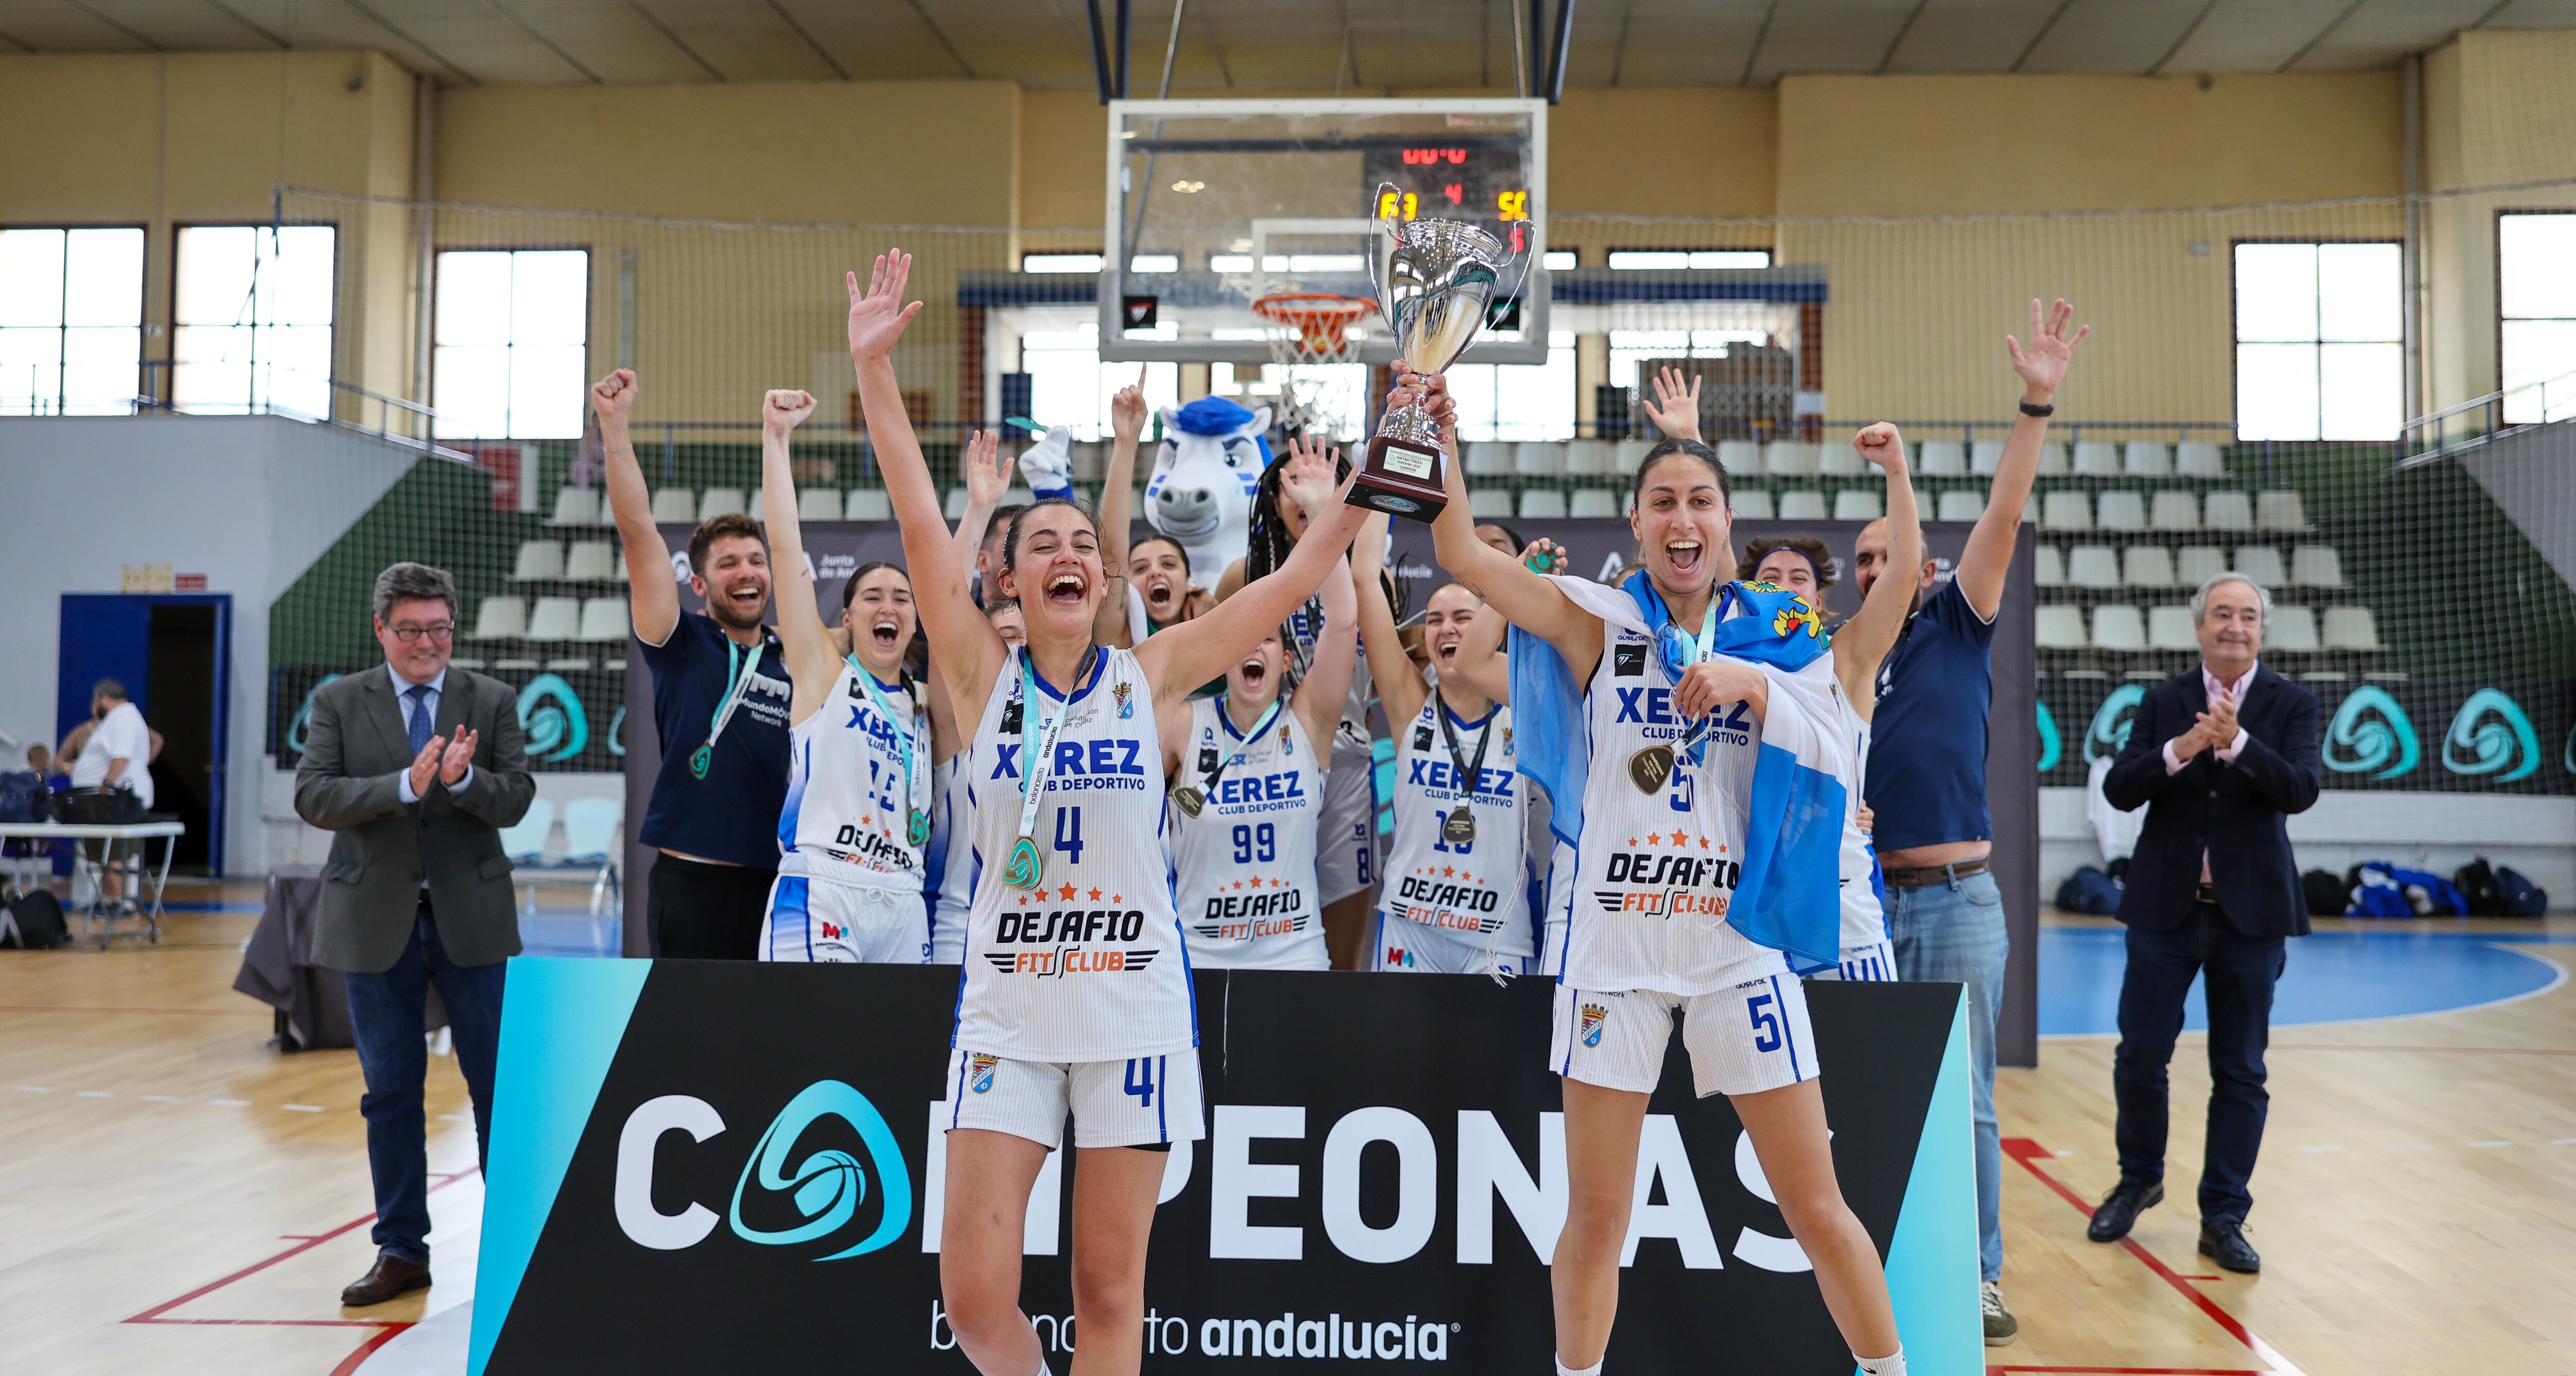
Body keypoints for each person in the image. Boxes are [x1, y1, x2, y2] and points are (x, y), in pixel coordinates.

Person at [853, 249, 1371, 1376]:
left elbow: (1292, 587)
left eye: (1084, 544)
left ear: (1105, 579)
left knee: (1106, 1292)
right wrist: (875, 373)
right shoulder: (979, 678)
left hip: (1132, 1009)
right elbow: (916, 521)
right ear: (1010, 582)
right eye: (1044, 545)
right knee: (976, 1300)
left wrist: (1359, 484)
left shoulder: (1153, 673)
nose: (1069, 554)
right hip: (1009, 1011)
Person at [1428, 365, 1903, 1376]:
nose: (1682, 519)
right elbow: (1459, 552)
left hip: (1738, 950)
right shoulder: (1597, 621)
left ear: (1726, 522)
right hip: (1617, 952)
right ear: (1636, 523)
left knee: (1816, 1206)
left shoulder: (1779, 632)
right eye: (1662, 502)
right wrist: (1443, 443)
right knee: (1596, 1215)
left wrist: (1755, 687)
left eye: (1700, 501)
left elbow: (1845, 707)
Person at [1854, 298, 2086, 1345]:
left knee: (1968, 1101)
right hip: (1866, 905)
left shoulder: (1957, 619)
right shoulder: (1842, 655)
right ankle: (1877, 1270)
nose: (1874, 573)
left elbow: (2003, 508)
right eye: (1860, 564)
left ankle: (1979, 1275)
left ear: (1921, 563)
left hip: (1953, 903)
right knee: (1864, 1092)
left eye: (1887, 557)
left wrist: (2035, 402)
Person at [292, 562, 533, 1307]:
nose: (426, 642)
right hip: (375, 923)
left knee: (497, 1086)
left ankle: (518, 1242)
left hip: (473, 919)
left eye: (438, 628)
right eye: (410, 630)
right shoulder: (338, 700)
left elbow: (516, 798)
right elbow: (314, 795)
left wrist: (462, 781)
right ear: (380, 629)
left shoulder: (491, 699)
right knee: (391, 1092)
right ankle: (401, 1249)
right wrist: (405, 785)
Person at [2088, 574, 2318, 1275]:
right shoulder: (2163, 700)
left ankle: (2223, 1214)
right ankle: (2138, 1179)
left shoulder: (2292, 702)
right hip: (2165, 909)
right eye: (2222, 613)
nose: (2234, 626)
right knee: (2139, 1055)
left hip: (2253, 916)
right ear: (2198, 626)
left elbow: (2300, 789)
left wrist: (2239, 743)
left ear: (2261, 628)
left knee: (2240, 1070)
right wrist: (2182, 746)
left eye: (2247, 615)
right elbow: (2119, 788)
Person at [1651, 412, 1926, 985]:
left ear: (1818, 601)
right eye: (1767, 578)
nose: (1780, 586)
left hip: (1840, 916)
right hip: (1748, 918)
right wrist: (1690, 445)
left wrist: (1896, 469)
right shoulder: (1728, 660)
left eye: (1797, 578)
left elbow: (1902, 575)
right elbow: (1710, 549)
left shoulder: (1845, 658)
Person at [754, 387, 965, 962]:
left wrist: (978, 505)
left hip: (904, 899)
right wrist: (776, 438)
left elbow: (950, 592)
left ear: (916, 619)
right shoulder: (824, 673)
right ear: (847, 618)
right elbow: (785, 549)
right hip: (823, 887)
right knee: (814, 1027)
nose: (888, 606)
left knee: (902, 1029)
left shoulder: (927, 706)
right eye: (872, 597)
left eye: (901, 597)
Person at [594, 368, 795, 959]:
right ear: (699, 584)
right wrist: (615, 426)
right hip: (694, 886)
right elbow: (638, 535)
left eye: (756, 560)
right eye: (728, 563)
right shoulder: (679, 640)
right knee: (693, 1023)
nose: (747, 571)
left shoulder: (793, 654)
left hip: (779, 883)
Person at [1163, 434, 1357, 970]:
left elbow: (1343, 623)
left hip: (1292, 957)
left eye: (1268, 638)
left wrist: (1323, 512)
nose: (1252, 645)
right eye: (1243, 636)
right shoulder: (1182, 724)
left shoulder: (1309, 720)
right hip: (1199, 955)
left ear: (1287, 659)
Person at [1215, 444, 1385, 970]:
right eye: (1294, 481)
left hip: (1346, 766)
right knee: (1262, 932)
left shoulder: (1368, 577)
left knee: (1342, 961)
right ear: (1274, 498)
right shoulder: (1243, 575)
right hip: (1264, 769)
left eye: (1324, 479)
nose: (1307, 491)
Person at [1357, 517, 1532, 976]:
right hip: (1411, 925)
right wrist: (1377, 490)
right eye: (1434, 620)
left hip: (1498, 931)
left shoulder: (1525, 712)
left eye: (1462, 618)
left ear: (1491, 631)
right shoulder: (1410, 703)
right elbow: (1365, 580)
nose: (1446, 628)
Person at [928, 597, 1025, 963]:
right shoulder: (958, 723)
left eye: (1029, 638)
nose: (1021, 648)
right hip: (959, 926)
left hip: (1033, 928)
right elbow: (942, 611)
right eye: (1008, 637)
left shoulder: (1065, 727)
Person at [64, 679, 158, 908]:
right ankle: (109, 902)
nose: (94, 708)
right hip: (110, 800)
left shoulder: (123, 719)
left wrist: (106, 786)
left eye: (95, 702)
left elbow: (121, 757)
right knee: (106, 855)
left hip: (118, 801)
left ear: (104, 699)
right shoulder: (119, 719)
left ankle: (118, 904)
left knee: (115, 854)